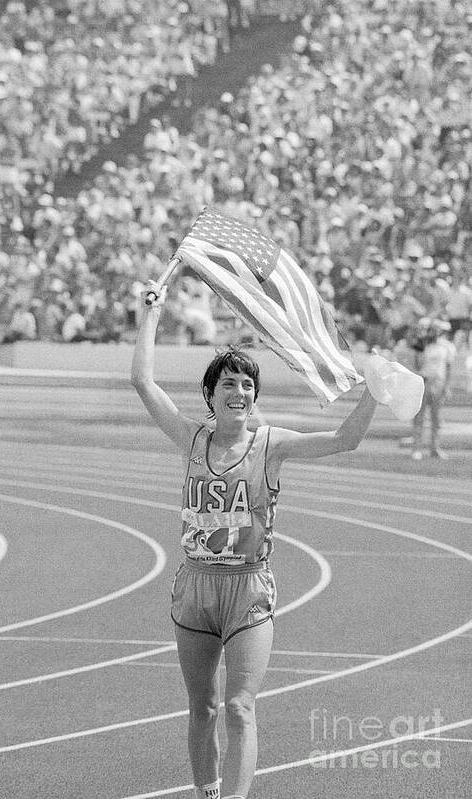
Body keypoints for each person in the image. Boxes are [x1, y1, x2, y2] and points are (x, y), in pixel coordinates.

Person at [130, 279, 379, 799]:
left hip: (248, 591)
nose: (239, 393)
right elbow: (144, 383)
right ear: (210, 395)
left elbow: (344, 440)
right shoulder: (190, 438)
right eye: (229, 384)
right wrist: (149, 314)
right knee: (202, 706)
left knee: (240, 705)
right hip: (195, 590)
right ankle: (209, 792)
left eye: (247, 385)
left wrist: (374, 393)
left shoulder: (271, 444)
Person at [410, 320, 456, 460]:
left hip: (439, 383)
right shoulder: (422, 345)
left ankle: (435, 448)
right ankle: (417, 448)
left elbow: (448, 368)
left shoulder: (446, 347)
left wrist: (447, 386)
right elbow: (417, 364)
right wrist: (420, 346)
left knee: (436, 418)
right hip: (424, 381)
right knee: (419, 416)